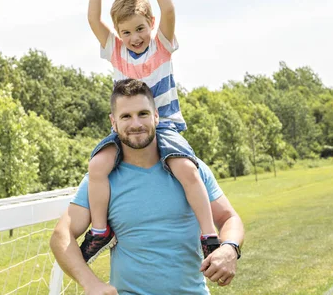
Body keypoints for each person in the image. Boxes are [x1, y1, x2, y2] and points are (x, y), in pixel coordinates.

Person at [81, 0, 218, 263]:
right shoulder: (115, 51)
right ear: (118, 33)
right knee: (97, 165)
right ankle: (100, 230)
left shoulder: (162, 47)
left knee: (185, 168)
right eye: (126, 31)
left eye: (140, 28)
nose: (135, 37)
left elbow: (169, 10)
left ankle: (209, 234)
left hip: (165, 126)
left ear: (151, 23)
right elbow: (92, 19)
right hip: (128, 131)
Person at [50, 79, 244, 294]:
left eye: (143, 113)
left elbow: (228, 218)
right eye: (126, 116)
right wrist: (91, 283)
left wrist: (229, 248)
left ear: (156, 116)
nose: (136, 124)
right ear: (113, 123)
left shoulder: (190, 169)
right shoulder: (100, 180)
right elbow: (61, 235)